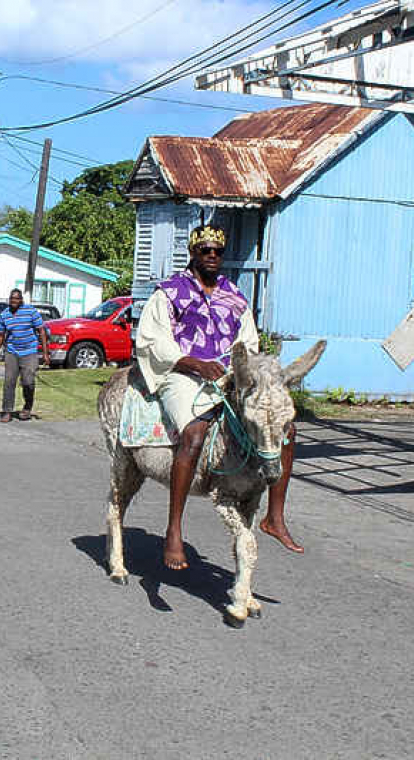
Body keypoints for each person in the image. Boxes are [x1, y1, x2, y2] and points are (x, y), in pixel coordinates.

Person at [136, 224, 302, 569]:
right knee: (195, 433)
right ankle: (174, 530)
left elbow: (249, 343)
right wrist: (194, 362)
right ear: (193, 253)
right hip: (181, 375)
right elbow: (153, 339)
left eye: (218, 251)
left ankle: (275, 516)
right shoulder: (168, 293)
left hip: (227, 377)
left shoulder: (235, 298)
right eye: (205, 250)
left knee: (283, 428)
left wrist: (244, 373)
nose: (212, 256)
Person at [0, 289, 50, 422]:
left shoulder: (31, 311)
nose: (13, 301)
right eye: (11, 299)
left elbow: (41, 331)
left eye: (16, 299)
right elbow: (0, 336)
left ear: (21, 300)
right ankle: (7, 411)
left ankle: (27, 407)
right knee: (9, 381)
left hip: (29, 351)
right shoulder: (5, 315)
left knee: (28, 381)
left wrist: (45, 353)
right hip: (12, 351)